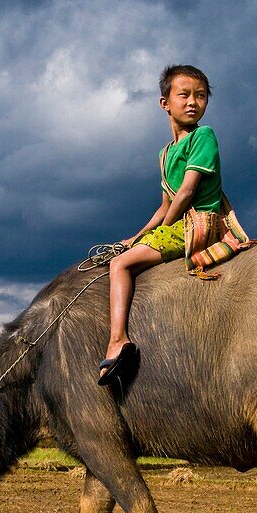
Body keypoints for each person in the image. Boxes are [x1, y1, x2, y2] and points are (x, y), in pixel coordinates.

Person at [98, 64, 228, 385]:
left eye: (200, 96)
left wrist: (156, 234)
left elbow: (186, 193)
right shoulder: (164, 153)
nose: (192, 102)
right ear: (165, 103)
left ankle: (117, 341)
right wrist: (138, 235)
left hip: (198, 224)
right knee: (127, 251)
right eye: (183, 95)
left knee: (120, 266)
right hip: (176, 222)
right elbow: (165, 205)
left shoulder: (203, 137)